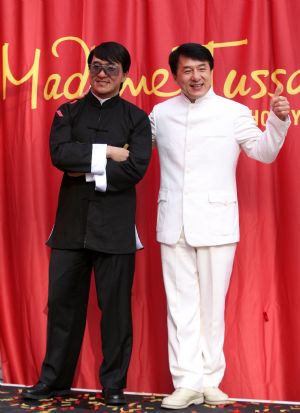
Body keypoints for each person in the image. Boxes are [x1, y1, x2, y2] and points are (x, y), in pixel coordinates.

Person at [149, 43, 290, 409]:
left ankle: (210, 380)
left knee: (212, 306)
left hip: (216, 221)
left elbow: (263, 151)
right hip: (173, 222)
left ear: (212, 71)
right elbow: (134, 152)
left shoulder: (234, 112)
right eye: (187, 70)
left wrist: (277, 120)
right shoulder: (160, 114)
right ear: (174, 75)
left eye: (202, 69)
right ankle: (185, 382)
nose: (195, 77)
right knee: (180, 306)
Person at [22, 41, 152, 405]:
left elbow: (135, 168)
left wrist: (86, 166)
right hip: (69, 226)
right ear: (88, 70)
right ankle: (54, 380)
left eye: (111, 68)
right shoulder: (68, 111)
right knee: (63, 307)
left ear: (125, 75)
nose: (102, 74)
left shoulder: (137, 120)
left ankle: (113, 385)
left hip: (116, 228)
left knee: (115, 312)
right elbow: (60, 155)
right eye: (96, 66)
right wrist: (109, 152)